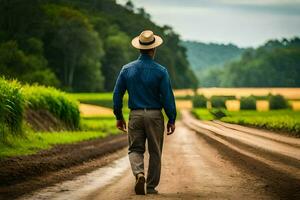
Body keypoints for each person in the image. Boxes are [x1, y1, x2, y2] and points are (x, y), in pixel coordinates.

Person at [113, 30, 176, 195]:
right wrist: (171, 119)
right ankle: (150, 186)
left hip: (136, 115)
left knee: (135, 149)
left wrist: (119, 116)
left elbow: (117, 95)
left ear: (139, 48)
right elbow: (167, 97)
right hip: (155, 116)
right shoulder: (161, 71)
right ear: (154, 49)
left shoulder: (127, 69)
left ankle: (139, 174)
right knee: (155, 152)